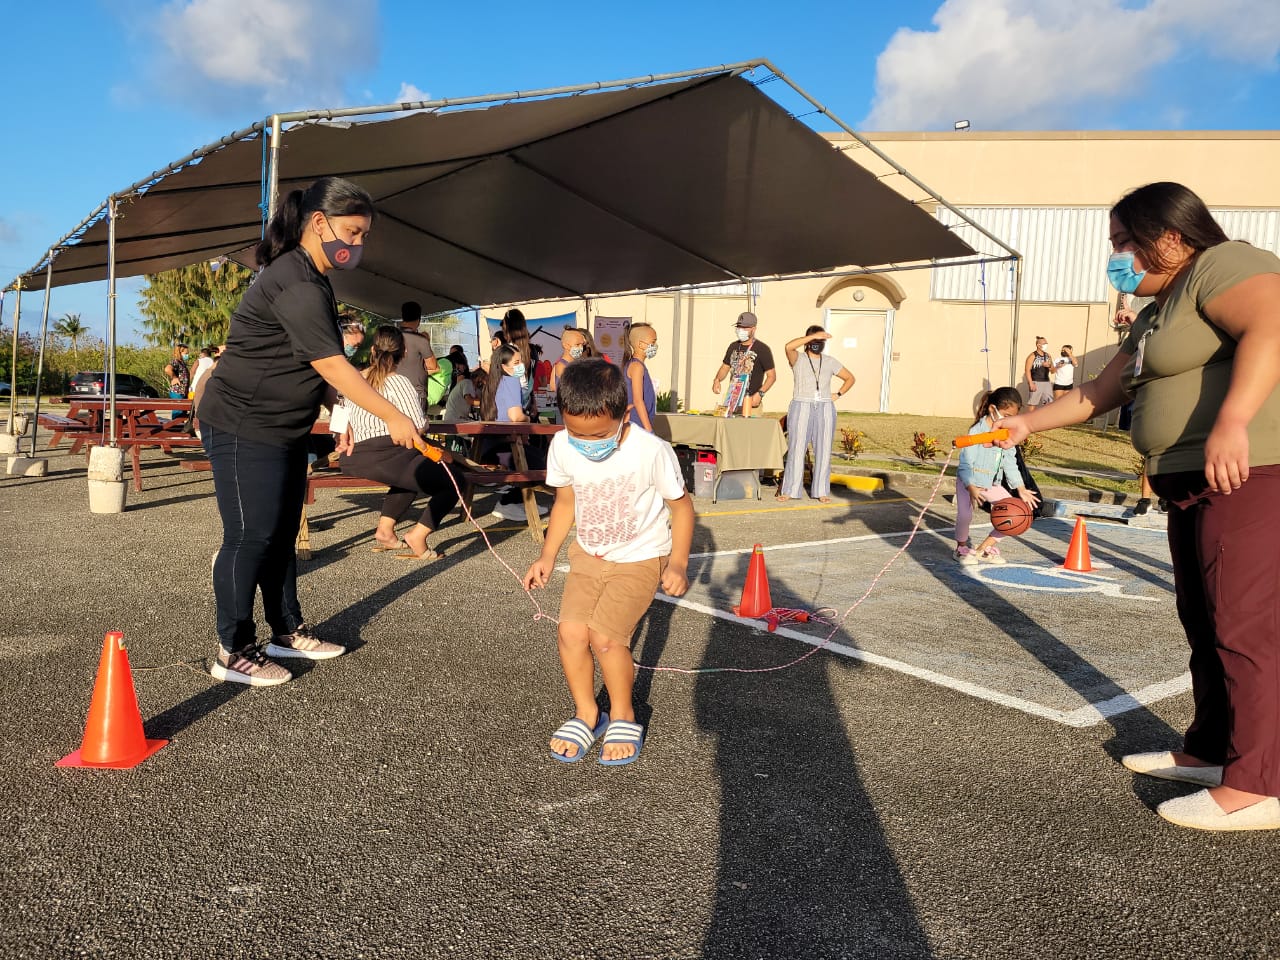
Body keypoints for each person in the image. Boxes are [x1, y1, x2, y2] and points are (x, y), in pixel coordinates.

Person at [998, 181, 1280, 831]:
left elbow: (1270, 321)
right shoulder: (1157, 312)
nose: (1116, 256)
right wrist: (1024, 427)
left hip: (1249, 472)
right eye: (1114, 243)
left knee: (1245, 623)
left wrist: (1234, 419)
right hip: (1185, 479)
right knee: (1204, 621)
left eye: (1125, 241)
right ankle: (1212, 752)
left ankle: (1260, 781)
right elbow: (1097, 391)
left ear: (1173, 238)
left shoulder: (1223, 265)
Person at [198, 176, 420, 687]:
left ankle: (286, 631)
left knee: (280, 536)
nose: (357, 244)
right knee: (250, 536)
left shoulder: (313, 277)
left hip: (283, 428)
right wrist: (392, 415)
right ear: (318, 224)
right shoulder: (295, 279)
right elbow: (333, 364)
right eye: (351, 232)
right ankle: (233, 650)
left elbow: (311, 367)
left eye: (364, 235)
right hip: (241, 423)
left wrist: (336, 417)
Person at [522, 358, 693, 765]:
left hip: (639, 557)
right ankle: (587, 712)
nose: (586, 442)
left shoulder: (652, 451)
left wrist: (679, 563)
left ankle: (622, 713)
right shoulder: (562, 444)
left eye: (598, 434)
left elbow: (682, 509)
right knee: (570, 633)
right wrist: (547, 554)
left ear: (624, 414)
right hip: (587, 555)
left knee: (606, 638)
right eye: (576, 432)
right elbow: (565, 502)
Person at [337, 325, 460, 561]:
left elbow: (339, 414)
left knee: (411, 475)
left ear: (372, 350)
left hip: (353, 456)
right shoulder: (399, 382)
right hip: (388, 455)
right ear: (403, 353)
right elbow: (417, 425)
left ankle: (385, 531)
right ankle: (418, 535)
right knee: (455, 480)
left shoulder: (354, 379)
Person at [954, 386, 1040, 565]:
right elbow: (965, 464)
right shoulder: (976, 432)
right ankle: (961, 548)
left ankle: (984, 549)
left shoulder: (1005, 433)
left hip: (992, 484)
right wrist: (971, 487)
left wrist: (1021, 489)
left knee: (1018, 513)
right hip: (968, 483)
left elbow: (1010, 462)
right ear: (993, 410)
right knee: (965, 515)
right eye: (1006, 416)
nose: (1009, 420)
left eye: (1013, 417)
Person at [777, 325, 855, 502]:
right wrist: (812, 336)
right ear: (807, 341)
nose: (817, 344)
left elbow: (850, 378)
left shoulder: (830, 361)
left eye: (821, 341)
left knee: (823, 448)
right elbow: (788, 346)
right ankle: (790, 490)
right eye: (814, 340)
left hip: (825, 407)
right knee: (797, 448)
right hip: (801, 404)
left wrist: (838, 394)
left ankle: (821, 491)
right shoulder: (798, 358)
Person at [481, 343, 547, 521]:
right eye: (516, 362)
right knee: (540, 460)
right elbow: (516, 416)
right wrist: (528, 419)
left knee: (532, 455)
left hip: (490, 446)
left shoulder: (493, 383)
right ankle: (509, 502)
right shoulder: (510, 381)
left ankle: (514, 502)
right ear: (504, 366)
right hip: (507, 447)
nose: (521, 365)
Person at [711, 311, 776, 417]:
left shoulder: (762, 349)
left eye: (745, 328)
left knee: (749, 433)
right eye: (739, 327)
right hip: (732, 403)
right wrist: (717, 380)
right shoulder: (733, 346)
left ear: (753, 329)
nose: (741, 330)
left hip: (751, 404)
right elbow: (725, 367)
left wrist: (760, 394)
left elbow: (772, 376)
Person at [396, 301, 436, 412]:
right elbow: (432, 366)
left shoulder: (391, 337)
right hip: (415, 394)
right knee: (417, 428)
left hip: (391, 392)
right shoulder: (420, 340)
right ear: (419, 319)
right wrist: (427, 342)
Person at [622, 322, 659, 432]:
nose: (655, 345)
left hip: (637, 423)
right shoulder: (637, 366)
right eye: (653, 342)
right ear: (641, 344)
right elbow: (638, 400)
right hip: (637, 424)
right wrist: (648, 430)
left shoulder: (636, 365)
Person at [550, 327, 590, 393]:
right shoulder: (562, 367)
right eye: (577, 344)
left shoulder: (576, 364)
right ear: (566, 345)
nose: (581, 348)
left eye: (582, 344)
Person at [1023, 336, 1055, 409]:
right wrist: (1030, 383)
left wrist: (1049, 365)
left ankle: (1046, 419)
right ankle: (1030, 419)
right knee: (1033, 403)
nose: (1046, 345)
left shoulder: (1048, 355)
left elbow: (1053, 371)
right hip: (1036, 382)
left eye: (1046, 343)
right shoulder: (1032, 356)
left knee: (1048, 403)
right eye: (1044, 343)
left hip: (1046, 382)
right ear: (1038, 345)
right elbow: (1027, 370)